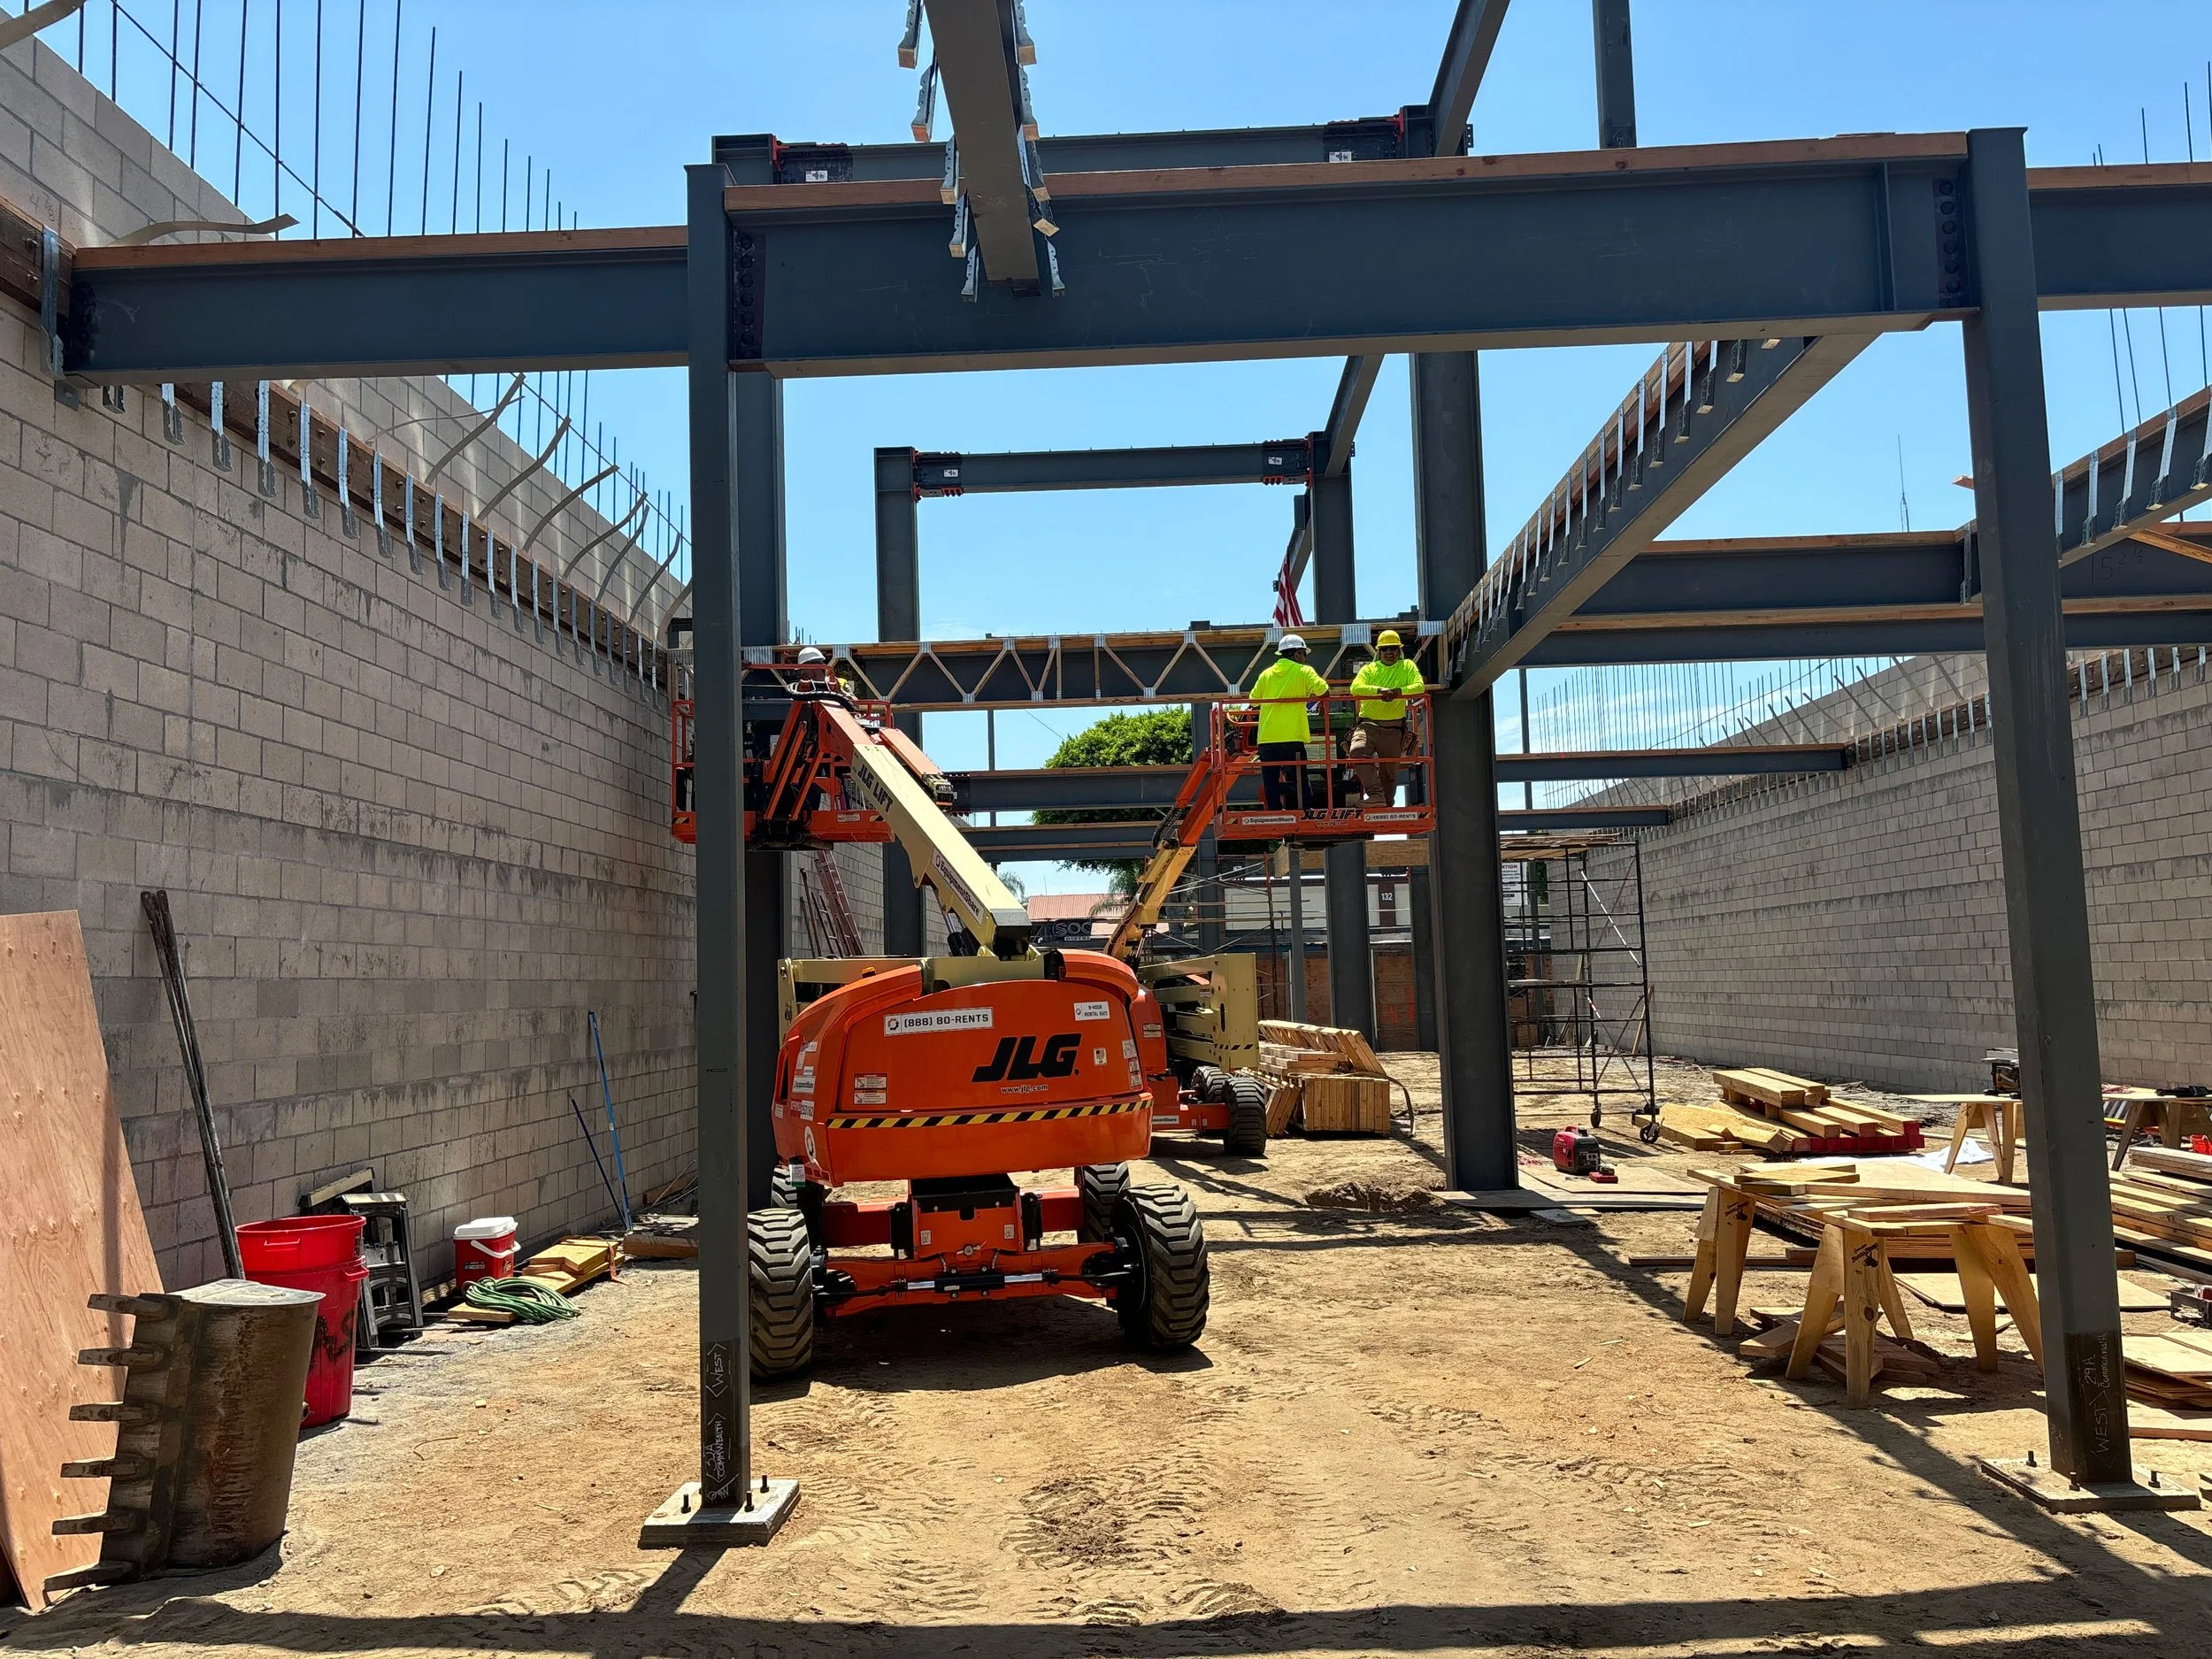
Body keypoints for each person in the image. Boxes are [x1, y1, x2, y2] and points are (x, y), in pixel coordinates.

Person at [1247, 634, 1332, 811]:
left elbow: (1253, 700)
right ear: (1297, 654)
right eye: (1304, 655)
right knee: (1299, 776)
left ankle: (1275, 813)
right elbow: (1324, 691)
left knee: (1270, 779)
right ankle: (1304, 811)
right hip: (1292, 735)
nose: (1305, 659)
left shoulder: (1266, 674)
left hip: (1267, 737)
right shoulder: (1304, 671)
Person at [1346, 629, 1425, 808]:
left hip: (1394, 729)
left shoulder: (1407, 667)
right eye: (1385, 649)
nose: (1389, 652)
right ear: (1379, 652)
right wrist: (1378, 691)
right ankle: (1375, 795)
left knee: (1389, 773)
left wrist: (1398, 692)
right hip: (1368, 726)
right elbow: (1355, 687)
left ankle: (1385, 804)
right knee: (1357, 751)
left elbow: (1419, 686)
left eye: (1393, 648)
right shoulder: (1369, 669)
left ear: (1399, 651)